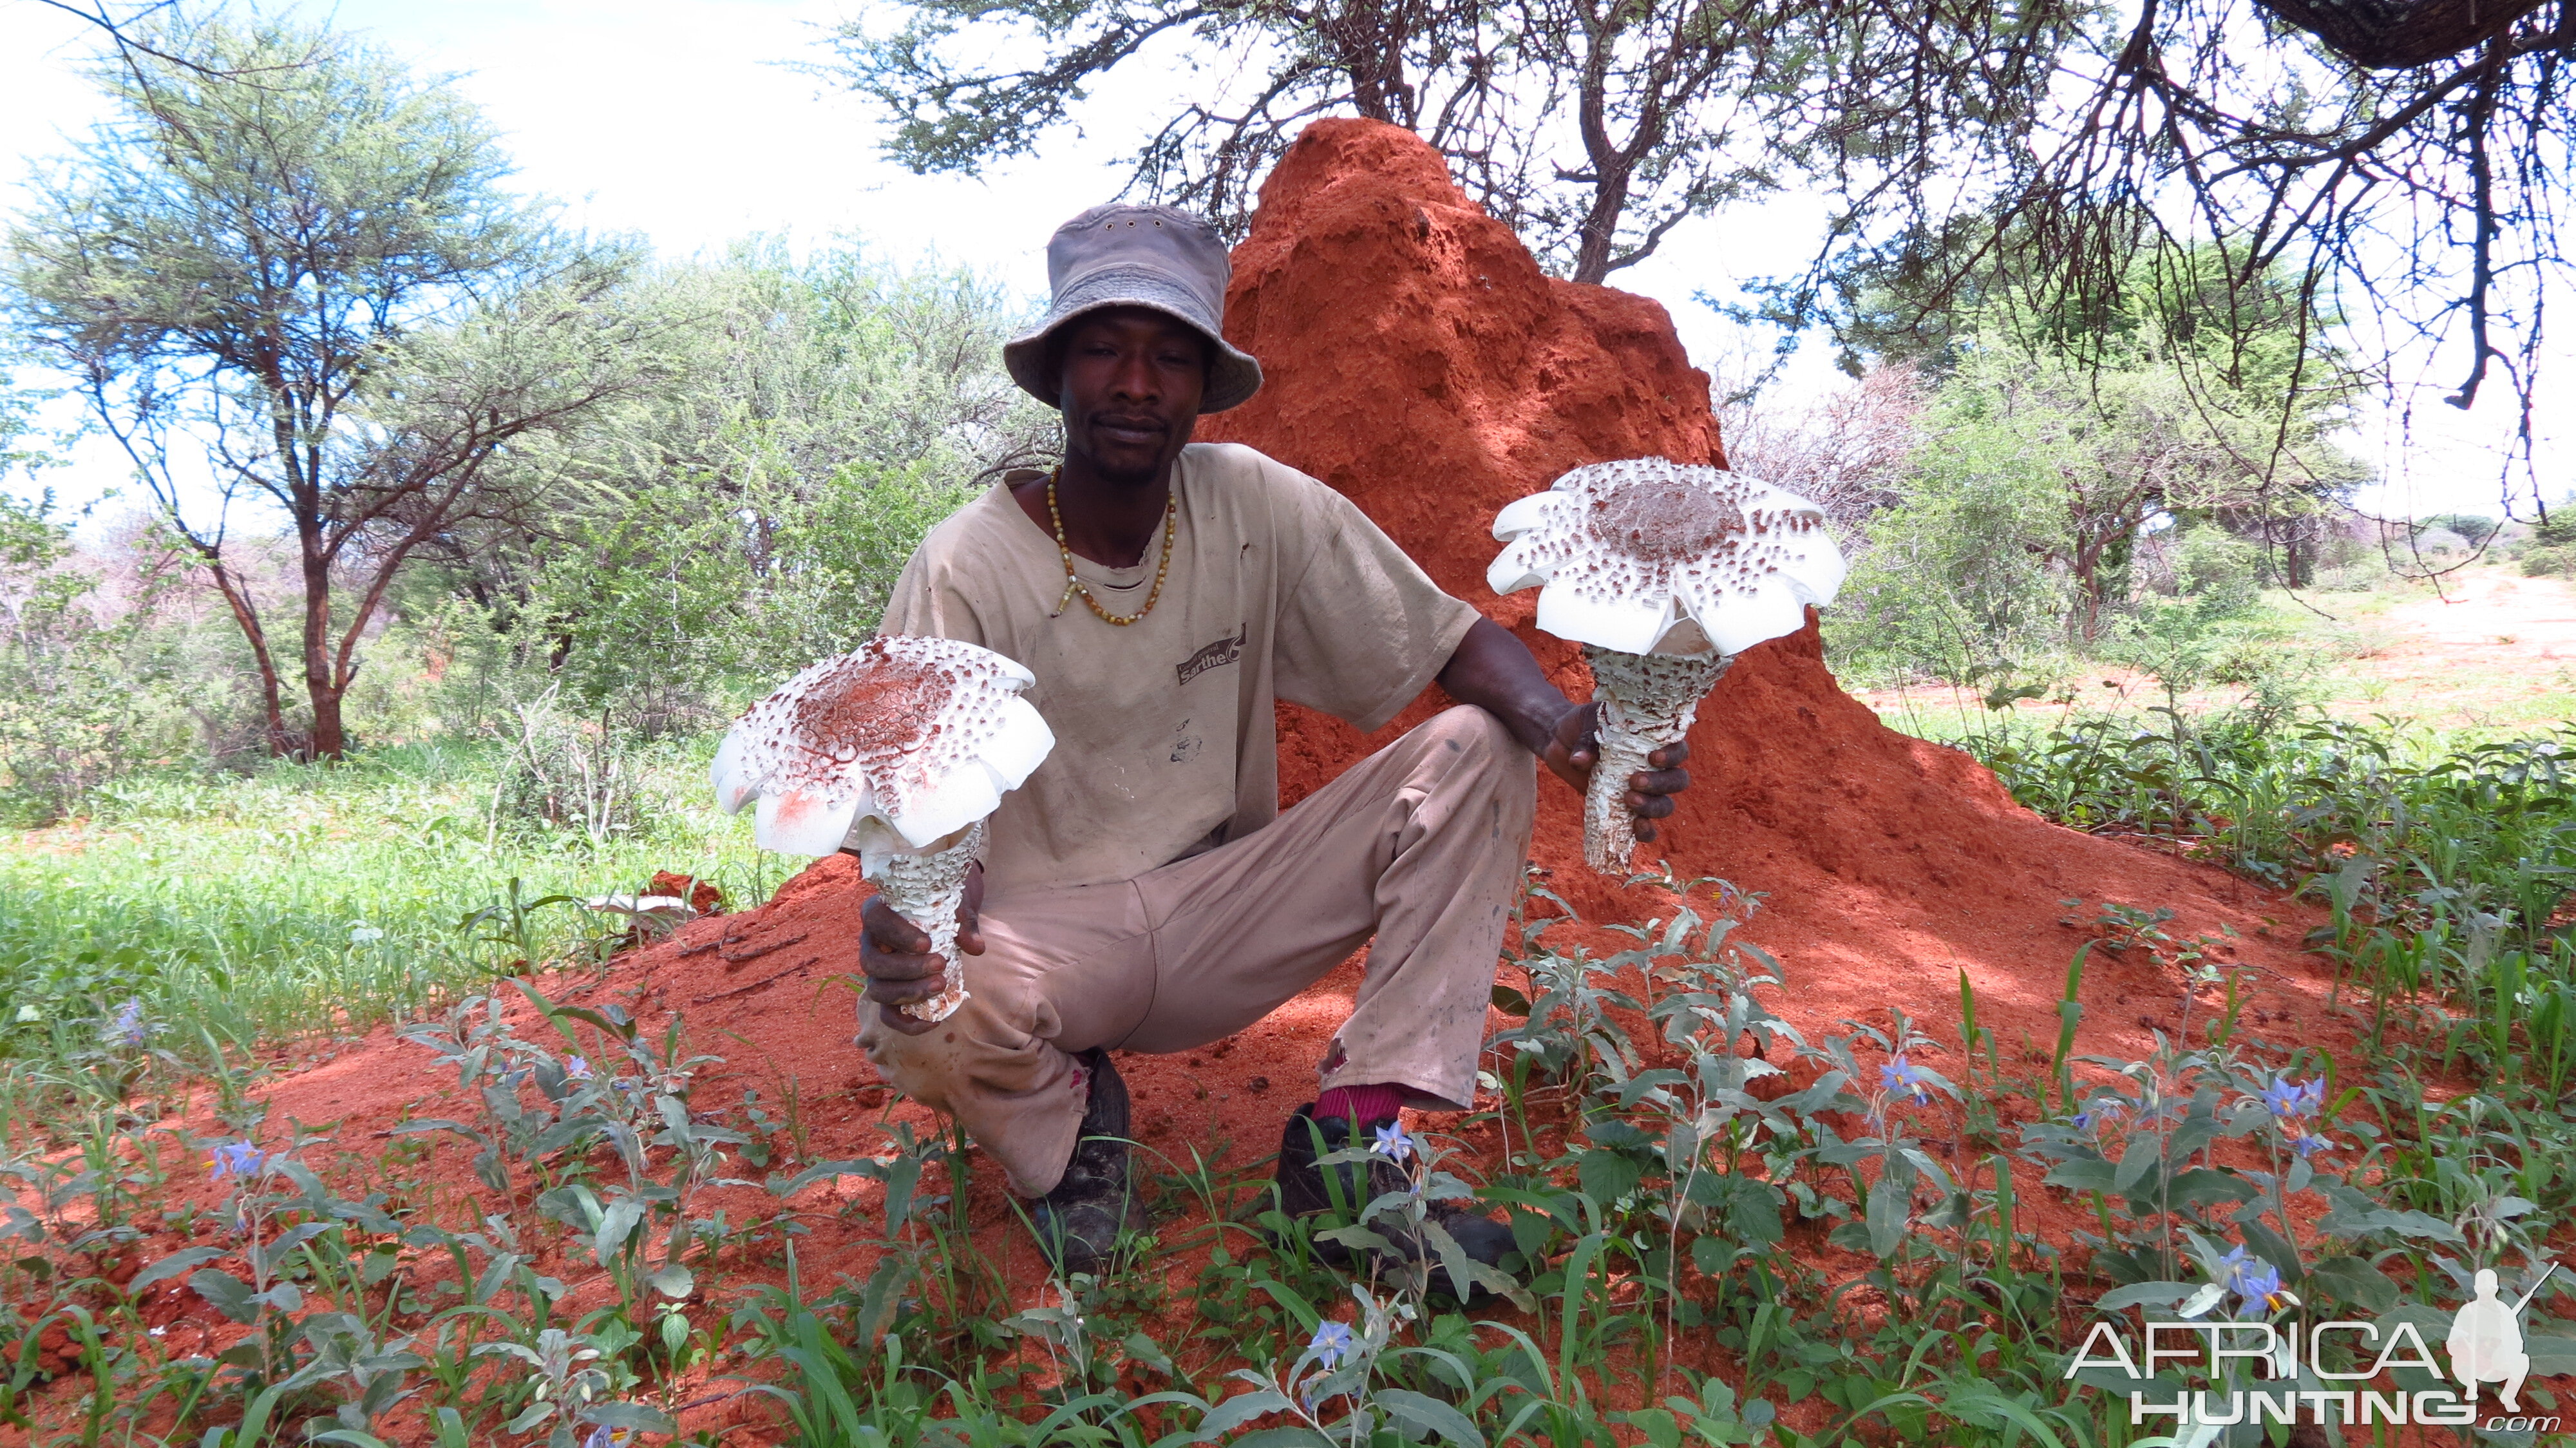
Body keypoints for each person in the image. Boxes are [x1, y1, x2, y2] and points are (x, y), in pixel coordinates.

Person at [852, 203, 1690, 1275]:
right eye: (1105, 349)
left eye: (1170, 358)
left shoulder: (1252, 502)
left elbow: (1448, 636)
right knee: (914, 1009)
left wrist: (1565, 730)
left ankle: (1351, 1143)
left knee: (1480, 746)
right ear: (1058, 370)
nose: (1137, 385)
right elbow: (893, 804)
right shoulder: (965, 563)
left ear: (1205, 384)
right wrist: (912, 901)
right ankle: (1070, 1133)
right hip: (1048, 945)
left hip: (1226, 907)